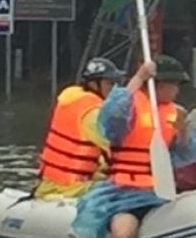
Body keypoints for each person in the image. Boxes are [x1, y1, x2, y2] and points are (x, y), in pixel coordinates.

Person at [71, 55, 196, 238]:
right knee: (123, 236)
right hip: (123, 195)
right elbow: (110, 119)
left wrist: (183, 131)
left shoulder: (176, 113)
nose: (177, 90)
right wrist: (139, 78)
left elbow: (188, 155)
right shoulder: (128, 108)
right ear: (157, 85)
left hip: (160, 194)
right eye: (173, 84)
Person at [34, 57, 130, 200]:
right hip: (70, 188)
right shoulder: (92, 113)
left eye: (116, 83)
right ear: (93, 84)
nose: (114, 88)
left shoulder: (72, 99)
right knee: (128, 190)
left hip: (52, 183)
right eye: (109, 83)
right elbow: (117, 147)